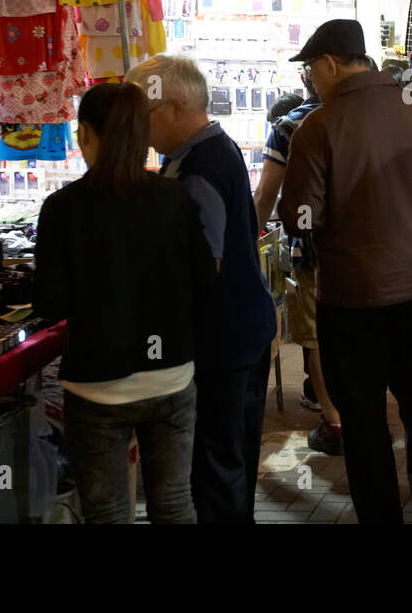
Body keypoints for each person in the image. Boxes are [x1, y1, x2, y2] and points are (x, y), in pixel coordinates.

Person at [279, 19, 412, 524]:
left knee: (363, 420)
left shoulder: (318, 127)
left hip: (351, 301)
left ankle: (381, 516)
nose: (310, 82)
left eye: (311, 71)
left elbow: (301, 215)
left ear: (329, 64)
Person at [34, 83, 216, 524]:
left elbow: (50, 303)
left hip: (97, 383)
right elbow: (205, 284)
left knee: (109, 511)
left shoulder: (63, 207)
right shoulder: (173, 197)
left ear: (85, 135)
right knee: (174, 503)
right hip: (170, 376)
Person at [125, 55, 277, 524]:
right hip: (239, 331)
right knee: (230, 460)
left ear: (170, 109)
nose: (139, 131)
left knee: (216, 465)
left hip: (221, 341)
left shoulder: (199, 167)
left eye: (141, 117)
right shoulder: (208, 151)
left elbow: (202, 267)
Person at [250, 74, 343, 456]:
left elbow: (264, 196)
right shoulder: (366, 118)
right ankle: (362, 413)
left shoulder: (287, 128)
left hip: (311, 251)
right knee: (360, 330)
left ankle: (335, 422)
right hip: (368, 250)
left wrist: (247, 241)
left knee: (317, 337)